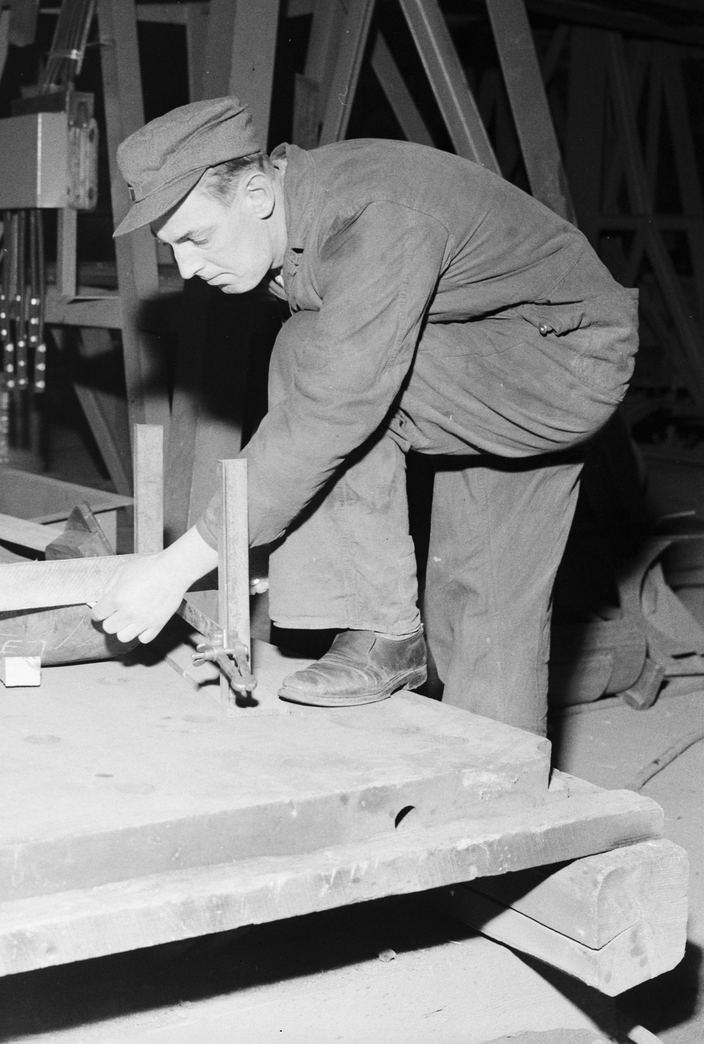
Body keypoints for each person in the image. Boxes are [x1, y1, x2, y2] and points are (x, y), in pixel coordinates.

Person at [91, 96, 638, 735]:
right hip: (497, 350)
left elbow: (335, 406)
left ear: (257, 195)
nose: (186, 267)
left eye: (196, 237)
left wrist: (179, 565)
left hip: (561, 360)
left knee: (314, 357)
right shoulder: (308, 208)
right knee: (487, 606)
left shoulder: (371, 213)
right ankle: (497, 776)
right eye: (172, 246)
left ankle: (380, 629)